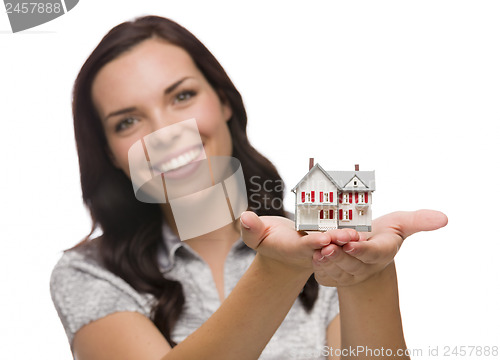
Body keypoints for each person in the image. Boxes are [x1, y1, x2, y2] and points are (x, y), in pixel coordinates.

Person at [50, 15, 447, 360]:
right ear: (111, 154)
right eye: (127, 122)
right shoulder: (88, 273)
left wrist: (367, 276)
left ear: (224, 101)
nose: (165, 134)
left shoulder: (324, 242)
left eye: (182, 96)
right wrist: (279, 269)